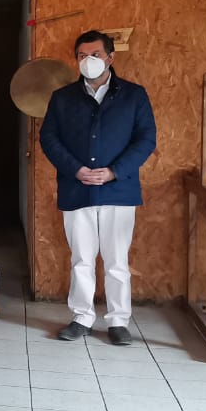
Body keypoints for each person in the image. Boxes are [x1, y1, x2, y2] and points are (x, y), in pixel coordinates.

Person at [39, 30, 157, 346]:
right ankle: (82, 317)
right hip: (77, 190)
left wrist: (114, 172)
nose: (88, 61)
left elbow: (146, 139)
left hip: (119, 190)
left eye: (94, 54)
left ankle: (118, 321)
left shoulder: (134, 95)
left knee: (117, 260)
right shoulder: (62, 98)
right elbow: (49, 139)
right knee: (81, 259)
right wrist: (75, 169)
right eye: (81, 55)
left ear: (110, 57)